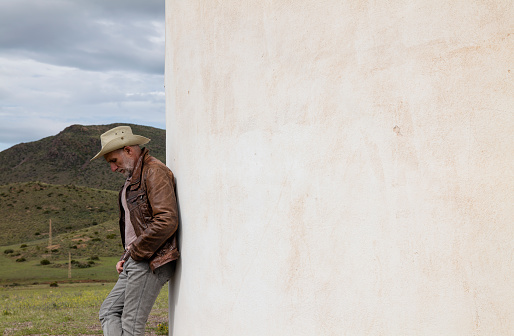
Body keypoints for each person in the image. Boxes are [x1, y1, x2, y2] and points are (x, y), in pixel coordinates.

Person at [91, 125, 179, 335]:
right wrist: (127, 255)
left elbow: (167, 219)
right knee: (109, 311)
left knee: (131, 326)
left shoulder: (153, 171)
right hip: (136, 258)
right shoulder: (132, 179)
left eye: (114, 160)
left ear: (128, 150)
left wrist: (136, 251)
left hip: (151, 259)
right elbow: (136, 226)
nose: (113, 168)